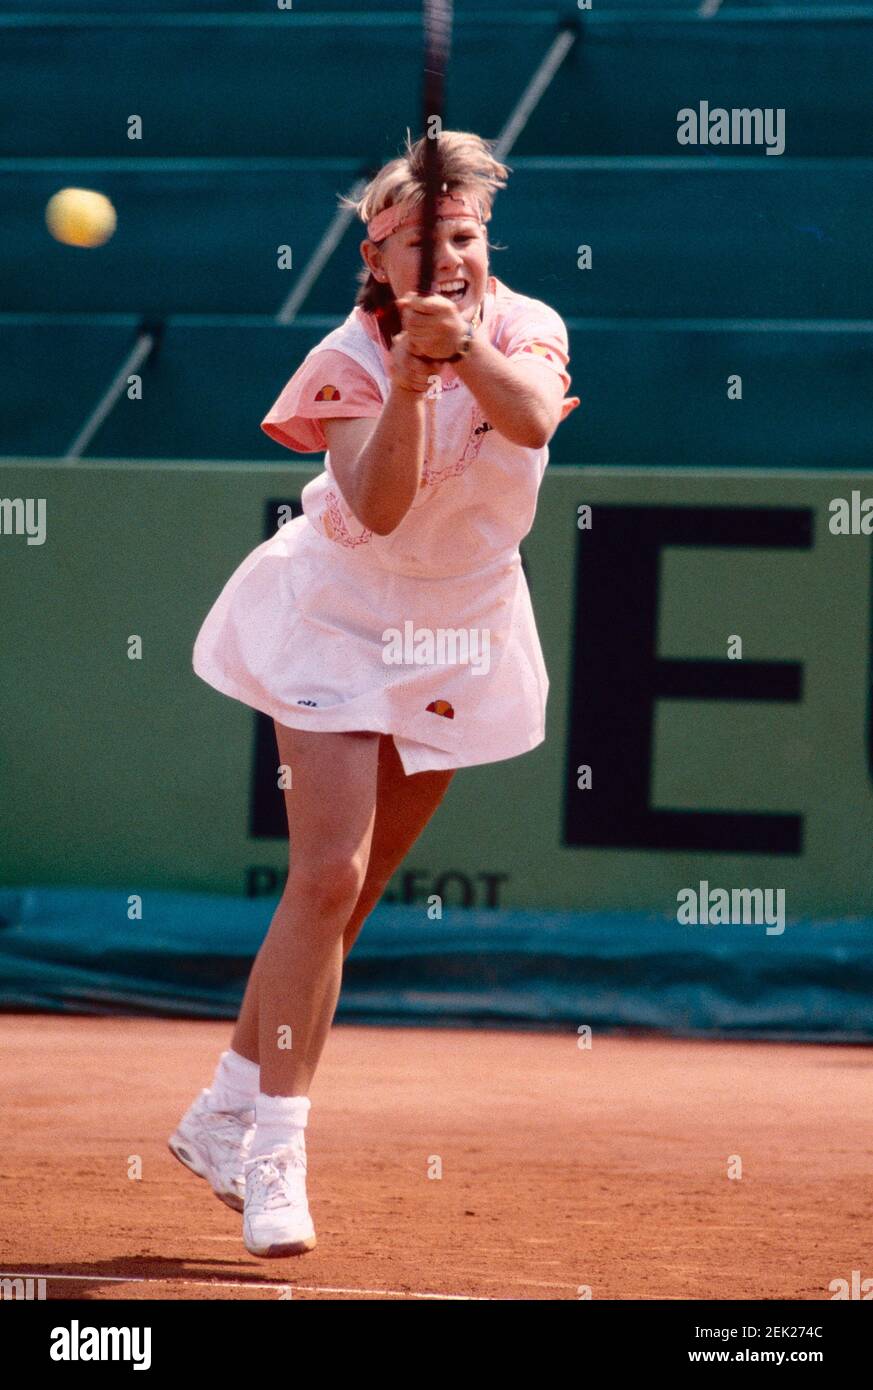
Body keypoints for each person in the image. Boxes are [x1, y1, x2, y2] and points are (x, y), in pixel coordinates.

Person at [168, 130, 580, 1258]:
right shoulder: (348, 354)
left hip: (460, 629)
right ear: (378, 253)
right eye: (424, 241)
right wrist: (410, 375)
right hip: (340, 618)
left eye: (466, 234)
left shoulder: (528, 324)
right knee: (326, 872)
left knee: (353, 893)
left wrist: (466, 356)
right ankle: (274, 1151)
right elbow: (382, 506)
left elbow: (535, 418)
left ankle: (220, 1109)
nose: (450, 255)